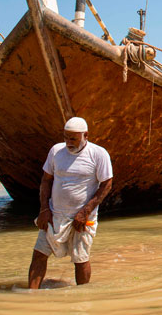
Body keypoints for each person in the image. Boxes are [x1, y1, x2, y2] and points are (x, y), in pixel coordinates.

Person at [28, 117, 113, 289]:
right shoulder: (56, 151)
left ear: (85, 135)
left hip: (83, 217)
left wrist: (86, 211)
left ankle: (82, 299)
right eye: (66, 137)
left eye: (73, 138)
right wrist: (44, 209)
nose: (68, 142)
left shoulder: (98, 154)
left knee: (80, 259)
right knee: (39, 254)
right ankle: (31, 296)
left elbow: (107, 184)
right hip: (54, 214)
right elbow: (46, 180)